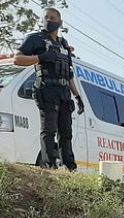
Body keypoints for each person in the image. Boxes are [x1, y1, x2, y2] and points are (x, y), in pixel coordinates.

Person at [13, 7, 84, 170]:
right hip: (47, 88)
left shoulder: (64, 45)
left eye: (53, 18)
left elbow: (69, 74)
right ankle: (49, 165)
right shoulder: (35, 39)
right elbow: (17, 59)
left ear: (60, 22)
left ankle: (69, 167)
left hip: (64, 92)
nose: (49, 21)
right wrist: (40, 57)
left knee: (66, 133)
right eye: (46, 18)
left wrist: (78, 97)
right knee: (49, 129)